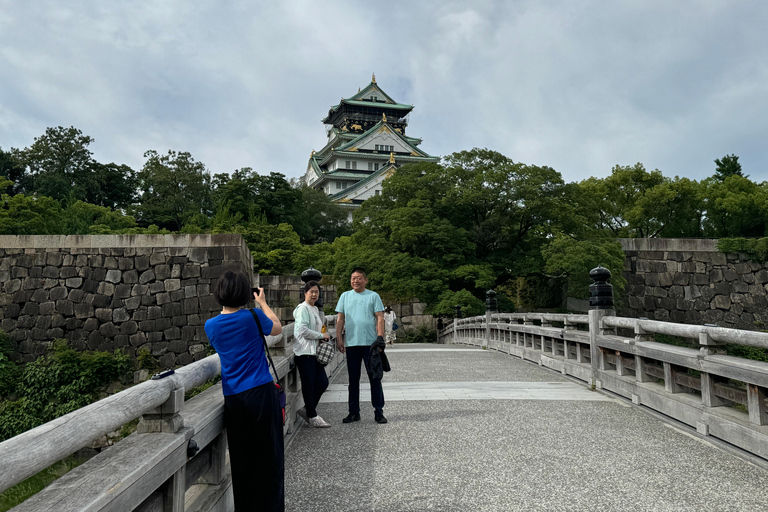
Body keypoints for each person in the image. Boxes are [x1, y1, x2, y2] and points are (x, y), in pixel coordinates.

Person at [204, 270, 284, 512]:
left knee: (242, 460)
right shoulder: (253, 316)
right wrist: (263, 303)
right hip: (260, 392)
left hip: (234, 398)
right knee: (269, 458)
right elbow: (278, 329)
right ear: (245, 294)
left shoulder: (211, 325)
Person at [335, 267, 387, 424]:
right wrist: (339, 338)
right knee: (353, 379)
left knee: (374, 378)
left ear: (365, 280)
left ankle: (378, 411)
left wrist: (380, 338)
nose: (355, 280)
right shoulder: (345, 296)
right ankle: (353, 412)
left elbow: (380, 317)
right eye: (353, 278)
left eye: (358, 278)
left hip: (370, 344)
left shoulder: (373, 296)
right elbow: (340, 319)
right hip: (352, 343)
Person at [293, 280, 331, 428]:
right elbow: (302, 330)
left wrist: (321, 337)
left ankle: (308, 410)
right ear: (305, 293)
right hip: (304, 353)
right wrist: (321, 336)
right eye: (311, 292)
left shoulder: (314, 309)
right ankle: (313, 416)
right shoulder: (303, 309)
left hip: (313, 352)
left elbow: (316, 328)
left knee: (322, 382)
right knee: (309, 385)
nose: (314, 294)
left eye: (316, 292)